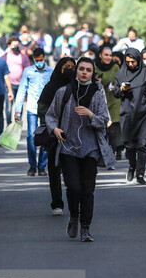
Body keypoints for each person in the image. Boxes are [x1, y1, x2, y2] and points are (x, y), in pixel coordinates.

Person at [45, 57, 116, 241]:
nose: (84, 72)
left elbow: (104, 120)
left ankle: (85, 228)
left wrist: (90, 114)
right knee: (73, 187)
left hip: (90, 148)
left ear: (92, 73)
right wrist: (55, 128)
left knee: (87, 190)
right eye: (81, 69)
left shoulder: (98, 93)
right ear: (76, 71)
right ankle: (74, 216)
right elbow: (50, 115)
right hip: (68, 147)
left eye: (88, 70)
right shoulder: (64, 92)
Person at [113, 48, 146, 185]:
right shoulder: (120, 74)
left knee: (143, 144)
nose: (131, 64)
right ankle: (132, 166)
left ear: (138, 60)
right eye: (128, 62)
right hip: (127, 113)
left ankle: (140, 174)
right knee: (130, 146)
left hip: (144, 113)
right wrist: (121, 89)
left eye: (133, 62)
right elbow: (115, 93)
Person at [38, 56, 76, 216]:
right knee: (54, 170)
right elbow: (41, 110)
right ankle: (57, 203)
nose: (69, 70)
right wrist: (54, 122)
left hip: (74, 134)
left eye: (72, 67)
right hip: (54, 135)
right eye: (66, 66)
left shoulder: (79, 87)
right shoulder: (51, 87)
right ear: (59, 68)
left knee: (71, 171)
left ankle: (75, 201)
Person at [15, 48, 54, 176]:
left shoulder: (51, 72)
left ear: (44, 58)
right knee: (31, 137)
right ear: (33, 60)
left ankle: (42, 166)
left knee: (45, 137)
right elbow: (21, 91)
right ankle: (32, 165)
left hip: (46, 110)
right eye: (37, 60)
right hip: (32, 108)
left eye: (41, 60)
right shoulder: (28, 71)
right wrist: (17, 110)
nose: (39, 62)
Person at [96, 46, 122, 160]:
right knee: (102, 131)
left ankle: (112, 154)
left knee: (112, 131)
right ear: (100, 55)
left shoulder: (115, 67)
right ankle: (101, 155)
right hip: (99, 101)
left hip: (113, 100)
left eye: (110, 55)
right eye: (106, 55)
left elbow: (119, 82)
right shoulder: (94, 66)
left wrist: (115, 87)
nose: (108, 57)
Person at [3, 36, 32, 124]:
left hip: (21, 85)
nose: (16, 47)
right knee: (8, 107)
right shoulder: (4, 57)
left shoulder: (23, 56)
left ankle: (17, 124)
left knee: (19, 107)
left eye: (17, 45)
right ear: (9, 46)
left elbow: (28, 69)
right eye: (13, 45)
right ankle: (8, 124)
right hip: (9, 85)